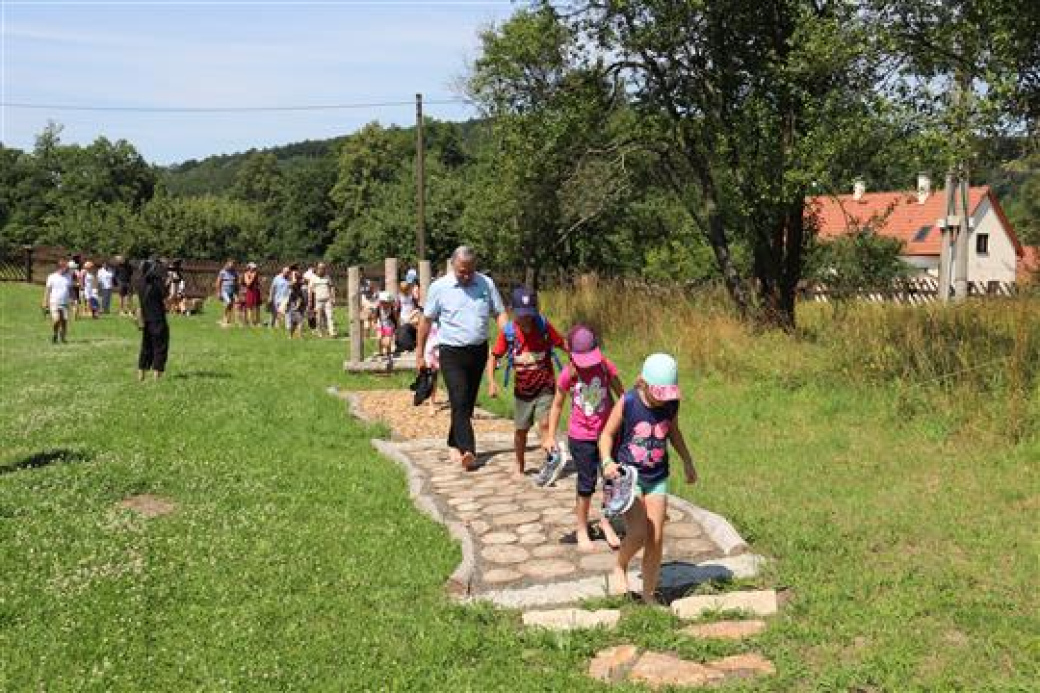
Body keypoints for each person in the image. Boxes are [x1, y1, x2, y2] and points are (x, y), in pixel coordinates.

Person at [599, 353, 698, 605]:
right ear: (643, 383)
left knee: (656, 537)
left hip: (657, 477)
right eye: (659, 394)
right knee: (639, 533)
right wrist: (607, 461)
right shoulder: (629, 401)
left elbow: (673, 432)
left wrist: (687, 460)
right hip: (629, 479)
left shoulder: (670, 404)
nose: (663, 400)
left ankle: (648, 593)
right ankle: (620, 566)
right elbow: (606, 435)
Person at [417, 246, 507, 471]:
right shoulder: (440, 287)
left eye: (470, 271)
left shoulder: (486, 284)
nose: (466, 276)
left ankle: (452, 442)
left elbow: (500, 313)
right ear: (452, 265)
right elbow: (426, 321)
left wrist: (510, 338)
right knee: (458, 398)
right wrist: (419, 353)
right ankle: (469, 450)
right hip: (451, 352)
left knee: (465, 403)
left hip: (478, 351)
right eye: (461, 272)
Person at [544, 325, 625, 552]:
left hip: (606, 435)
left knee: (611, 479)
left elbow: (622, 396)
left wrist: (630, 418)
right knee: (586, 484)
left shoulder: (605, 367)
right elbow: (557, 404)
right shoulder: (568, 374)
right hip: (581, 438)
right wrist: (550, 435)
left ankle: (606, 520)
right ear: (571, 354)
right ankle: (581, 527)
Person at [487, 285, 565, 478]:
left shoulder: (543, 326)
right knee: (521, 431)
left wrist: (578, 363)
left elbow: (563, 344)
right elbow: (494, 356)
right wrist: (491, 381)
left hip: (545, 385)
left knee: (544, 423)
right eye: (521, 315)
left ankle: (551, 459)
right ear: (513, 311)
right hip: (522, 391)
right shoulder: (509, 332)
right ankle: (519, 464)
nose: (526, 319)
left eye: (529, 314)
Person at [136, 260, 170, 380]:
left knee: (146, 348)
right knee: (160, 347)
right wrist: (168, 282)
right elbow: (166, 298)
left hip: (146, 320)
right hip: (158, 319)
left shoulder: (140, 283)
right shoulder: (157, 283)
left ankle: (141, 375)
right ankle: (157, 377)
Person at [41, 260, 72, 344]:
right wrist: (44, 301)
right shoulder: (51, 277)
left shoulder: (69, 276)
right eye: (65, 267)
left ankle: (63, 338)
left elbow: (70, 289)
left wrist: (73, 299)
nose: (67, 269)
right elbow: (47, 290)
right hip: (54, 302)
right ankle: (55, 334)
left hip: (65, 302)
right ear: (60, 267)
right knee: (56, 320)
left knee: (64, 321)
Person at [309, 262, 337, 337]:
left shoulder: (327, 277)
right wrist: (310, 302)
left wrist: (333, 298)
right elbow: (311, 290)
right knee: (318, 318)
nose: (322, 270)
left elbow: (332, 287)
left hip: (327, 300)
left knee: (330, 316)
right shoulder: (313, 278)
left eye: (324, 268)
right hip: (318, 301)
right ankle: (319, 333)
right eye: (321, 268)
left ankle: (332, 332)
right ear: (317, 269)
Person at [215, 259, 238, 327]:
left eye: (233, 265)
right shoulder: (222, 272)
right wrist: (218, 292)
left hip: (232, 291)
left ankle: (227, 319)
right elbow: (218, 282)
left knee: (230, 305)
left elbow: (236, 283)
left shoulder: (234, 273)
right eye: (230, 264)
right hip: (224, 290)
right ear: (227, 264)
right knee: (228, 302)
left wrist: (236, 292)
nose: (232, 266)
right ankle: (224, 318)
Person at [376, 290, 398, 358]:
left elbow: (395, 319)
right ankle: (380, 351)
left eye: (387, 303)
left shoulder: (391, 309)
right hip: (380, 324)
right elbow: (375, 316)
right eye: (383, 303)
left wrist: (396, 327)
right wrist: (375, 324)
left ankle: (388, 351)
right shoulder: (379, 308)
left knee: (388, 341)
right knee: (379, 338)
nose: (385, 305)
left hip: (389, 326)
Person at [285, 270, 307, 339]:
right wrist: (297, 306)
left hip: (297, 303)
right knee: (299, 321)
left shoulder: (299, 283)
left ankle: (291, 336)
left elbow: (305, 281)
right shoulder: (293, 284)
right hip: (295, 303)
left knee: (296, 322)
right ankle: (299, 337)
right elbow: (290, 285)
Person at [242, 262, 262, 326]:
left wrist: (261, 282)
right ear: (249, 268)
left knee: (257, 306)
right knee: (250, 307)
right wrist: (252, 277)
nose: (254, 269)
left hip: (256, 291)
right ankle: (251, 322)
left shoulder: (256, 274)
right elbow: (248, 284)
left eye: (255, 268)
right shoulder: (246, 274)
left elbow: (258, 283)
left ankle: (258, 321)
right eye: (253, 268)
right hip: (250, 291)